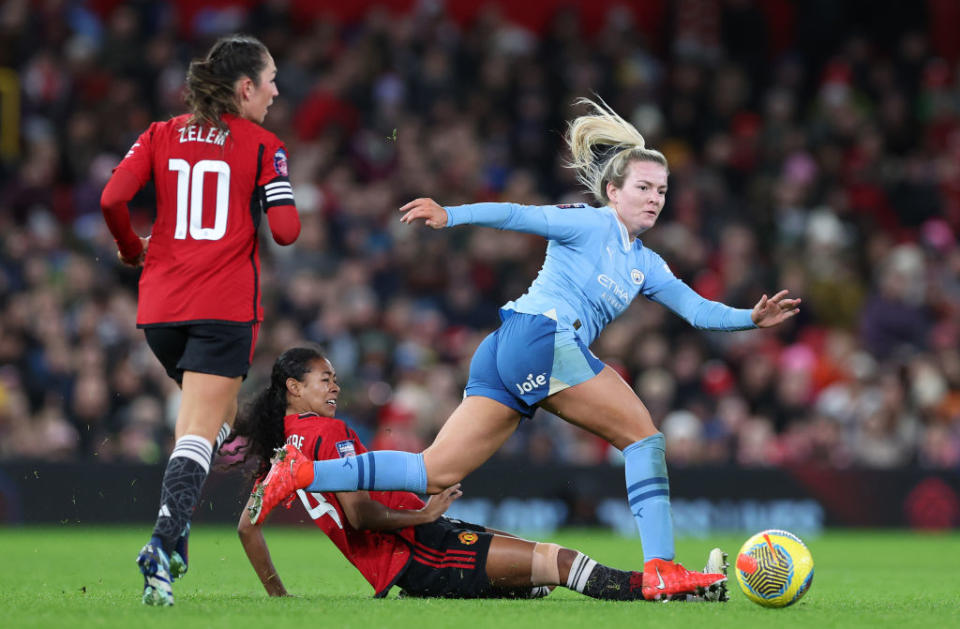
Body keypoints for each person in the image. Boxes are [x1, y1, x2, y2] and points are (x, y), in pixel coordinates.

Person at [250, 97, 799, 600]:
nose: (655, 199)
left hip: (506, 350)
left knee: (433, 471)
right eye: (643, 188)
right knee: (645, 439)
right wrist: (451, 215)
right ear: (613, 192)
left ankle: (302, 475)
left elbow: (698, 310)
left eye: (661, 191)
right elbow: (517, 215)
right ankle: (661, 567)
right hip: (541, 337)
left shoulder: (646, 264)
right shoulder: (588, 224)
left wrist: (750, 318)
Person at [230, 347, 729, 601]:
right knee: (558, 562)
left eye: (336, 379)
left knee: (533, 575)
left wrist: (280, 598)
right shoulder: (329, 432)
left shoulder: (281, 449)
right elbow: (359, 517)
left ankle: (686, 587)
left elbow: (247, 527)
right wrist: (423, 512)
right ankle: (675, 589)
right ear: (294, 387)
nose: (334, 387)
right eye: (324, 380)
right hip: (418, 550)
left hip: (417, 552)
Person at [100, 33, 300, 606]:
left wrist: (127, 247)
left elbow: (113, 199)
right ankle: (163, 543)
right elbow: (286, 232)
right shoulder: (264, 146)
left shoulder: (160, 134)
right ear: (245, 87)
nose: (276, 91)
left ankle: (177, 529)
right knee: (197, 430)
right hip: (223, 309)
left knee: (214, 417)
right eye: (270, 81)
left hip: (160, 311)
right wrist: (274, 195)